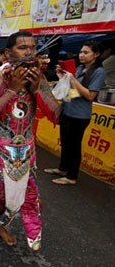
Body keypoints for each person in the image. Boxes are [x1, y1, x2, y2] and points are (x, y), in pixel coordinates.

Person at [0, 31, 61, 251]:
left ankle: (0, 224)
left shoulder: (38, 79)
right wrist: (12, 90)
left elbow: (56, 114)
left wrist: (35, 91)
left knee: (20, 194)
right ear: (6, 53)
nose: (29, 51)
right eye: (22, 48)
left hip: (26, 148)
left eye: (32, 47)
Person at [44, 41, 106, 185]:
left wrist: (72, 78)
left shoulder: (98, 72)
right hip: (68, 110)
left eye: (86, 52)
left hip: (80, 115)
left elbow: (90, 95)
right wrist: (63, 78)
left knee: (74, 145)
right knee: (65, 142)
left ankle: (72, 176)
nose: (82, 55)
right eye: (81, 52)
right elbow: (73, 91)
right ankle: (62, 169)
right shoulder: (80, 68)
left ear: (96, 54)